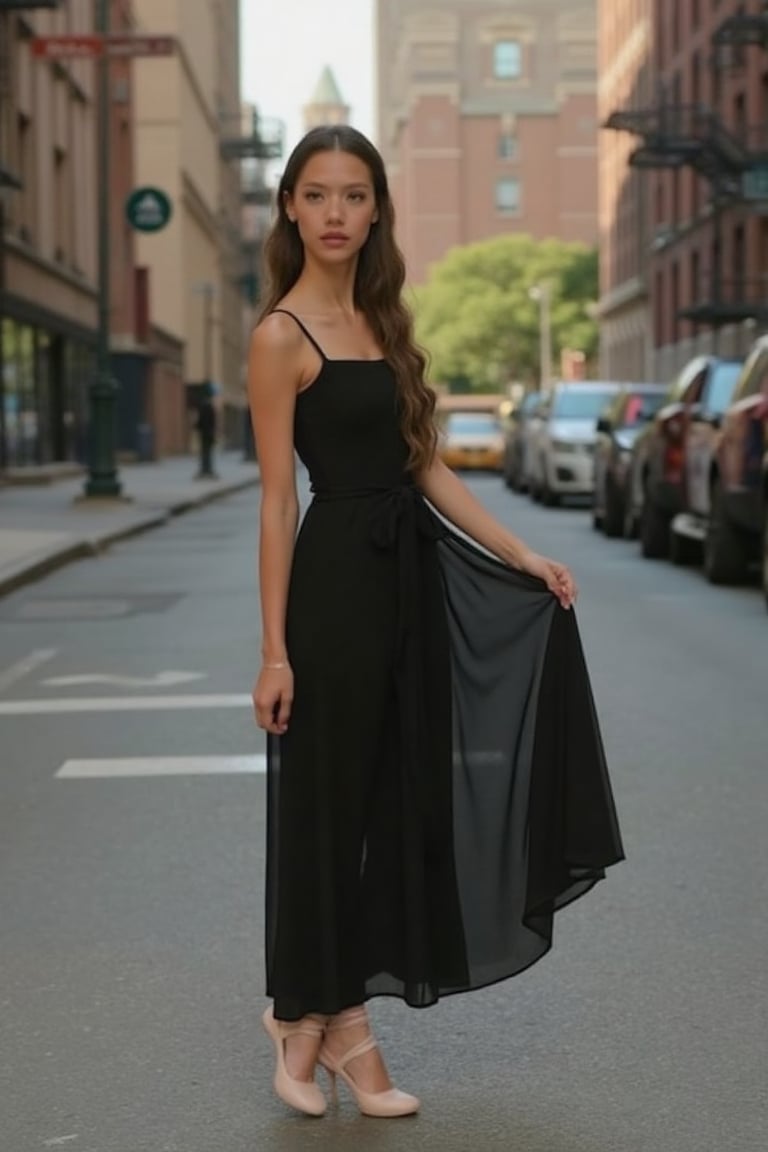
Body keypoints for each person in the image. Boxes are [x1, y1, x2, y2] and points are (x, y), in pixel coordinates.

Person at [247, 125, 624, 1120]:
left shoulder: (382, 315)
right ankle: (322, 1024)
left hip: (409, 584)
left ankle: (328, 1023)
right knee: (329, 810)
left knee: (392, 807)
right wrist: (275, 650)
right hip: (333, 592)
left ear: (376, 212)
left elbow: (425, 465)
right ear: (290, 206)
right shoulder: (281, 334)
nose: (335, 213)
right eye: (317, 194)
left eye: (354, 195)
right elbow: (278, 501)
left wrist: (523, 554)